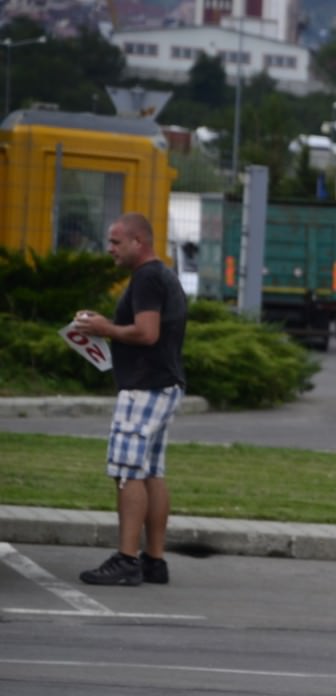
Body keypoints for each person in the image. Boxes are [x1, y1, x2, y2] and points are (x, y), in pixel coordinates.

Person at [74, 212, 189, 587]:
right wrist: (104, 326)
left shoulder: (147, 277)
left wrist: (104, 328)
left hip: (144, 386)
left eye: (116, 242)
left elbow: (146, 333)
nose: (110, 249)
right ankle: (154, 560)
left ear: (138, 242)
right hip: (164, 383)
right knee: (152, 472)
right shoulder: (163, 275)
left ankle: (126, 559)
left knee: (127, 472)